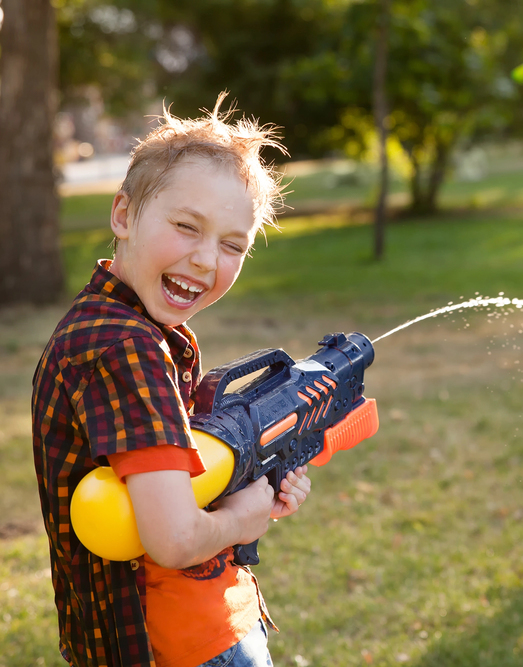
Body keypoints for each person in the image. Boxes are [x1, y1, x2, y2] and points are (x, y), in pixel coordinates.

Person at [32, 95, 310, 667]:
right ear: (123, 215)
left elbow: (170, 482)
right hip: (178, 643)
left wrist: (249, 484)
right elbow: (175, 539)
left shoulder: (124, 328)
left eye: (233, 245)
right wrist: (243, 518)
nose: (207, 260)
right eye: (187, 227)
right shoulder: (125, 349)